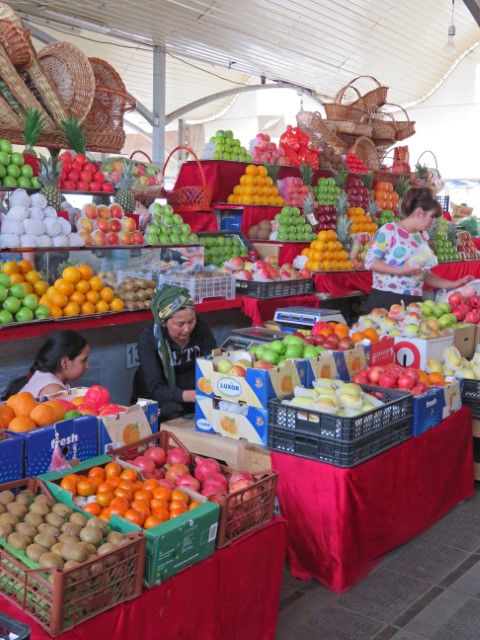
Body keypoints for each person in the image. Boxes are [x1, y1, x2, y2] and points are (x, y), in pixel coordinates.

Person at [364, 187, 474, 313]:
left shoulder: (421, 237)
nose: (433, 222)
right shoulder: (389, 230)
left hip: (414, 302)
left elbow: (423, 274)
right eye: (431, 217)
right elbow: (370, 262)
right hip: (386, 299)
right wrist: (400, 271)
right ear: (419, 213)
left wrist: (453, 284)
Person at [131, 285, 216, 422]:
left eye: (191, 321)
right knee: (173, 411)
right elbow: (156, 389)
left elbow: (210, 364)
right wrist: (193, 396)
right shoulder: (149, 338)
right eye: (180, 324)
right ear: (164, 322)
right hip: (155, 398)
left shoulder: (201, 328)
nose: (187, 329)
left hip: (194, 393)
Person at [2, 330, 90, 400]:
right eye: (83, 360)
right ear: (64, 363)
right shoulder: (53, 391)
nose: (87, 366)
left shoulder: (43, 377)